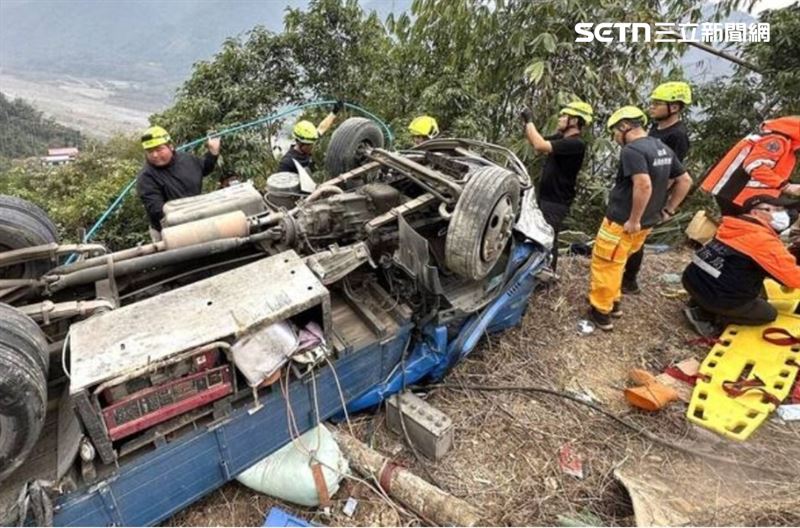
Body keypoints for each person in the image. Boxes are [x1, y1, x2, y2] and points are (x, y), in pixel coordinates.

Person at [587, 106, 692, 331]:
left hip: (622, 222)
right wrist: (668, 210)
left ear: (625, 126)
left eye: (615, 132)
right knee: (619, 261)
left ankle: (601, 311)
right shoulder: (661, 148)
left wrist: (633, 219)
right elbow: (685, 180)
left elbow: (643, 184)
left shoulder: (632, 150)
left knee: (606, 263)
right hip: (647, 222)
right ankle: (614, 302)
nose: (615, 138)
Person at [682, 195, 800, 336]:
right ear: (755, 212)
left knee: (753, 284)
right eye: (777, 210)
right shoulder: (763, 241)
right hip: (718, 296)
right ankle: (706, 317)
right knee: (768, 313)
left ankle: (698, 303)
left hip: (692, 280)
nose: (784, 214)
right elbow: (794, 279)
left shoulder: (732, 225)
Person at [623, 81, 692, 294]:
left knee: (637, 236)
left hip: (651, 189)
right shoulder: (655, 128)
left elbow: (673, 172)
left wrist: (664, 204)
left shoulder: (677, 135)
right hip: (640, 184)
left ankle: (629, 280)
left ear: (675, 107)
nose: (652, 107)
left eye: (658, 103)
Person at [520, 100, 593, 273]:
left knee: (548, 238)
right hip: (547, 196)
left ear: (574, 121)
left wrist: (529, 120)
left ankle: (548, 274)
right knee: (542, 234)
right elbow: (536, 143)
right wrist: (526, 124)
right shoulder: (562, 139)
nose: (559, 119)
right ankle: (539, 271)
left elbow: (540, 145)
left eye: (564, 116)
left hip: (556, 200)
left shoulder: (575, 144)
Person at [700, 116, 800, 215]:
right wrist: (786, 187)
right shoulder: (777, 140)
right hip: (737, 192)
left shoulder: (779, 137)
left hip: (738, 193)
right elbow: (754, 166)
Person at [136, 126, 221, 241]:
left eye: (159, 149)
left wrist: (213, 152)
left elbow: (204, 168)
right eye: (150, 151)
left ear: (170, 146)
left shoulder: (187, 160)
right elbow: (157, 210)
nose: (155, 155)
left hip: (196, 220)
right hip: (168, 230)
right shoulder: (146, 177)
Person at [278, 101, 344, 174]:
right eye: (309, 145)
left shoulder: (309, 139)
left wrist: (334, 112)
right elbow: (280, 179)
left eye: (312, 143)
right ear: (300, 143)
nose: (312, 146)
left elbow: (322, 128)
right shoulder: (287, 163)